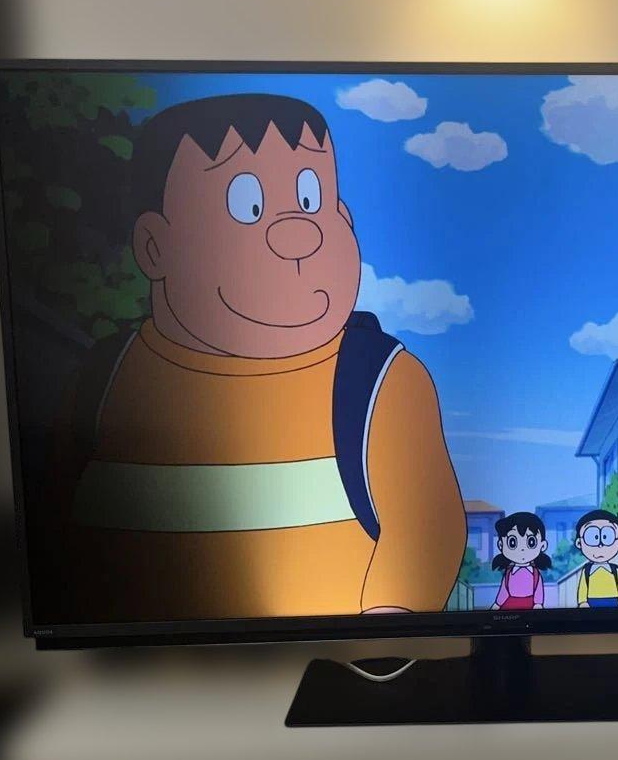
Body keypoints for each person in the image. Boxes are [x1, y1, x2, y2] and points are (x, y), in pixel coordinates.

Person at [62, 93, 466, 621]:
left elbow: (424, 529)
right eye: (246, 206)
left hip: (343, 658)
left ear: (343, 217)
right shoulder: (105, 380)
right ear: (155, 247)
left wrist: (385, 627)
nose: (298, 234)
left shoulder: (379, 383)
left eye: (310, 198)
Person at [490, 512, 551, 610]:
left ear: (542, 546)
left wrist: (538, 604)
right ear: (501, 545)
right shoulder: (509, 573)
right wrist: (497, 605)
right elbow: (503, 591)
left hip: (530, 605)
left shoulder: (535, 574)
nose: (522, 549)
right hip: (509, 606)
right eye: (512, 542)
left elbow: (538, 591)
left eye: (531, 542)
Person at [574, 509, 618, 608]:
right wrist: (583, 602)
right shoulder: (587, 571)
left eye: (606, 537)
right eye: (592, 537)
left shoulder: (614, 570)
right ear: (579, 543)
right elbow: (583, 588)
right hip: (592, 602)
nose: (600, 545)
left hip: (613, 602)